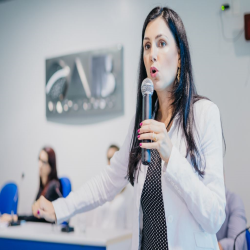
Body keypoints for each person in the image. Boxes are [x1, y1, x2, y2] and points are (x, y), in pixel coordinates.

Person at [32, 6, 226, 249]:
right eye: (147, 46)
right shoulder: (143, 121)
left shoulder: (204, 114)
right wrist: (59, 208)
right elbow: (107, 182)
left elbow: (216, 216)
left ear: (179, 57)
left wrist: (171, 156)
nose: (152, 54)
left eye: (162, 43)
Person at [0, 147, 61, 223]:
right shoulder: (43, 187)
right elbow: (34, 215)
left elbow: (41, 217)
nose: (40, 165)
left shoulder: (53, 186)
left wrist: (14, 218)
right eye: (39, 160)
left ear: (51, 166)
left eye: (44, 162)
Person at [82, 144, 133, 230]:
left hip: (119, 242)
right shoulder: (102, 190)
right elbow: (95, 224)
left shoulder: (129, 194)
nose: (111, 162)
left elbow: (131, 228)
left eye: (114, 158)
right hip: (100, 241)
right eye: (109, 158)